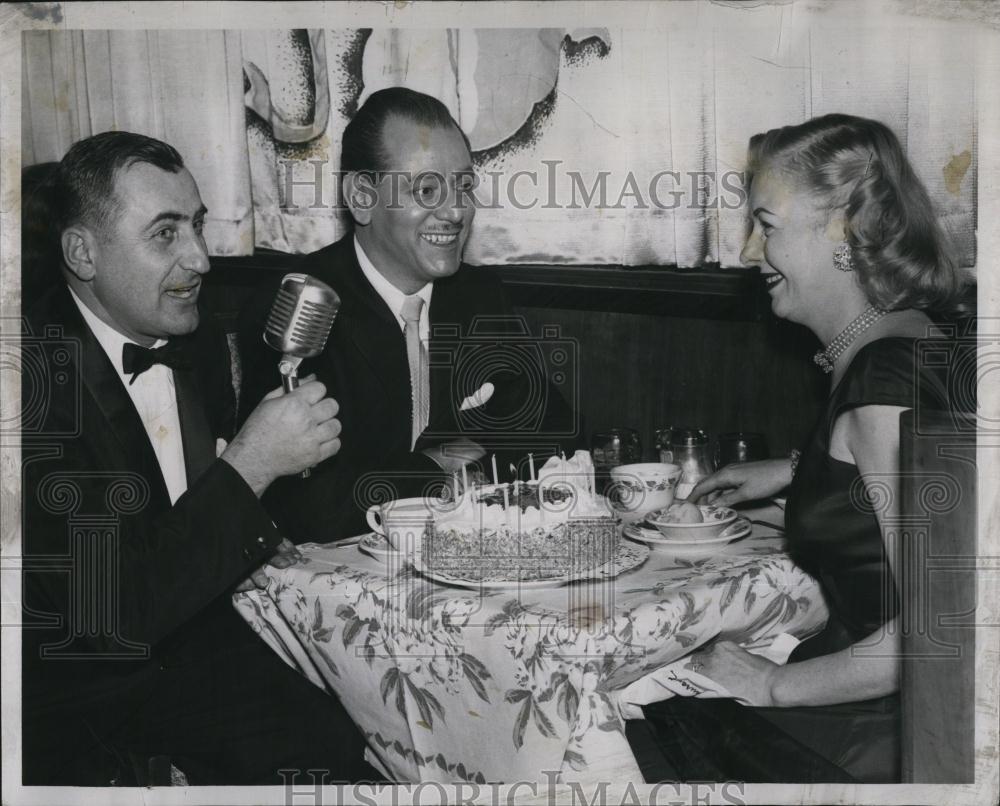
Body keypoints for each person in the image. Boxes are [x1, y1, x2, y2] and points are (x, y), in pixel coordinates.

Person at [21, 131, 378, 785]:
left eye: (198, 226)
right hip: (76, 688)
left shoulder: (198, 335)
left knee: (346, 732)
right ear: (82, 252)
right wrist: (252, 463)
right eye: (165, 234)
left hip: (188, 627)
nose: (201, 259)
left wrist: (269, 468)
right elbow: (112, 616)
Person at [630, 114, 970, 783]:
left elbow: (937, 633)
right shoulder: (915, 339)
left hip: (895, 728)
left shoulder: (882, 381)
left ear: (844, 230)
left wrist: (774, 686)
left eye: (768, 224)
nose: (751, 251)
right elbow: (899, 493)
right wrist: (797, 473)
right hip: (881, 693)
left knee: (626, 737)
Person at [238, 87, 575, 542]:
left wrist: (412, 475)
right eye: (427, 189)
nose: (456, 211)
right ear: (361, 197)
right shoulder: (301, 302)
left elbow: (555, 439)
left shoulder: (479, 296)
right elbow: (313, 508)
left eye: (464, 186)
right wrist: (439, 466)